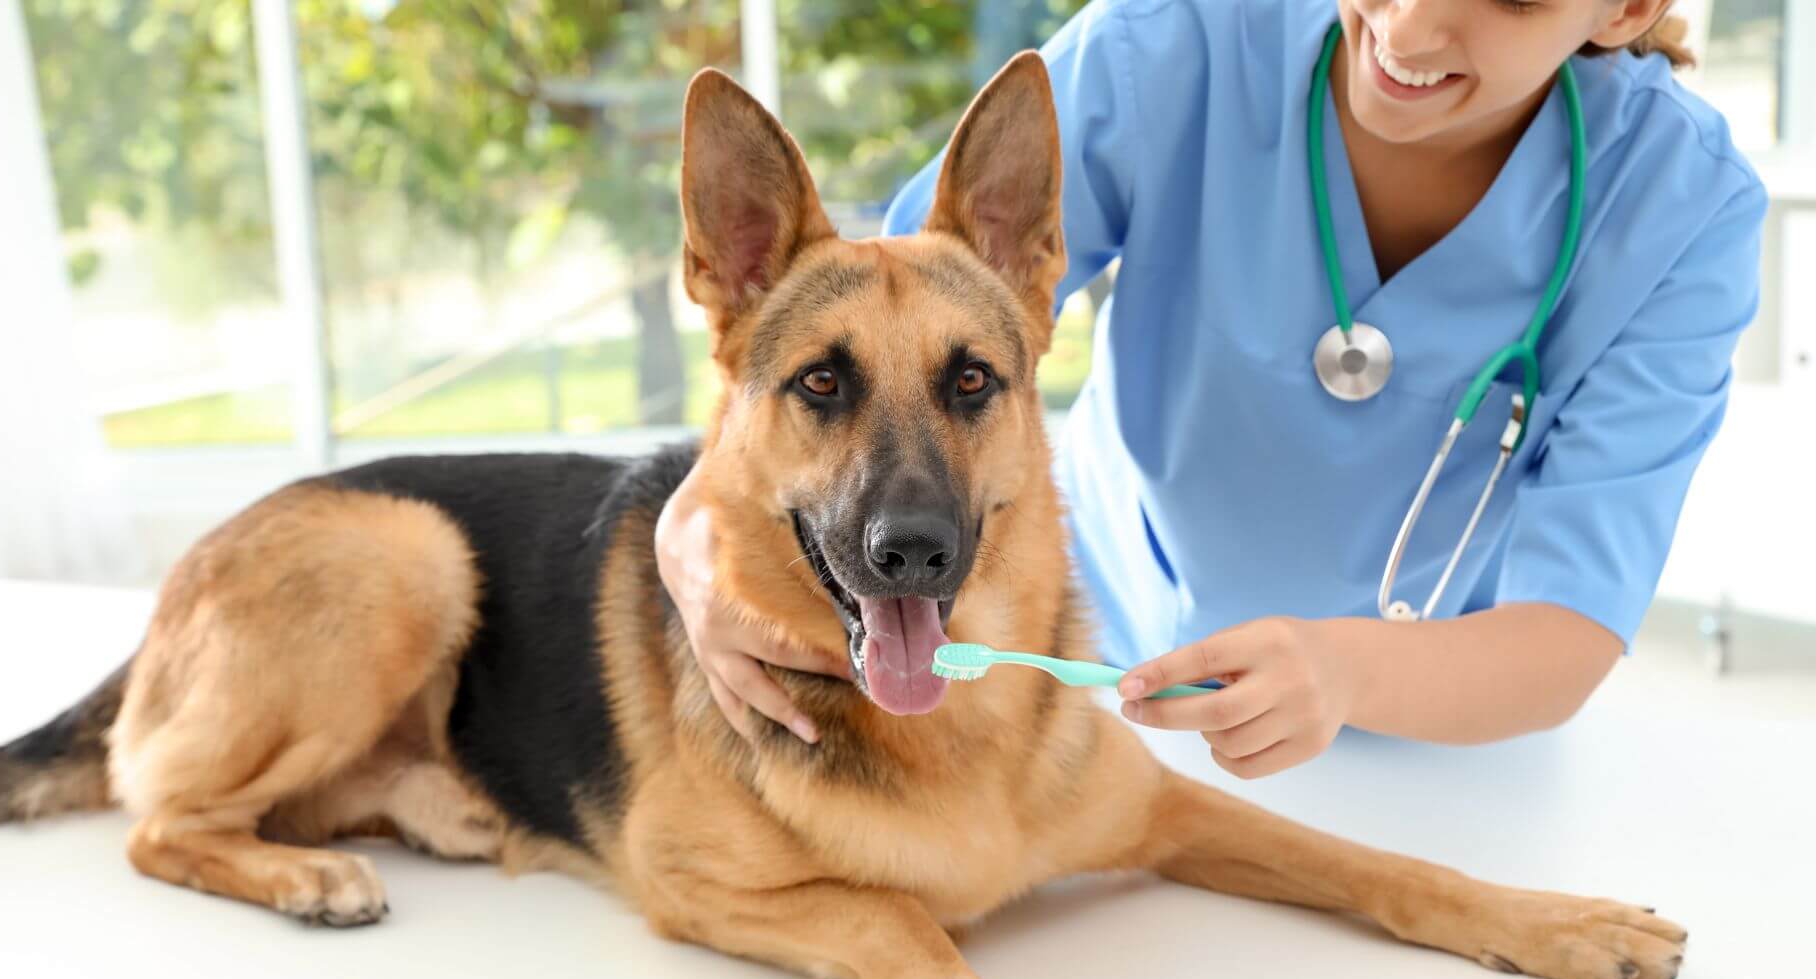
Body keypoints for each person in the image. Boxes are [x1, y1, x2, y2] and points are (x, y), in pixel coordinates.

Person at [653, 0, 1767, 779]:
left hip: (1447, 738)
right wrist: (688, 528)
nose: (1414, 27)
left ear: (1626, 9)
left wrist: (1339, 669)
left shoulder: (1681, 209)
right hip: (1090, 677)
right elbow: (860, 325)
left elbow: (1564, 635)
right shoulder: (1177, 42)